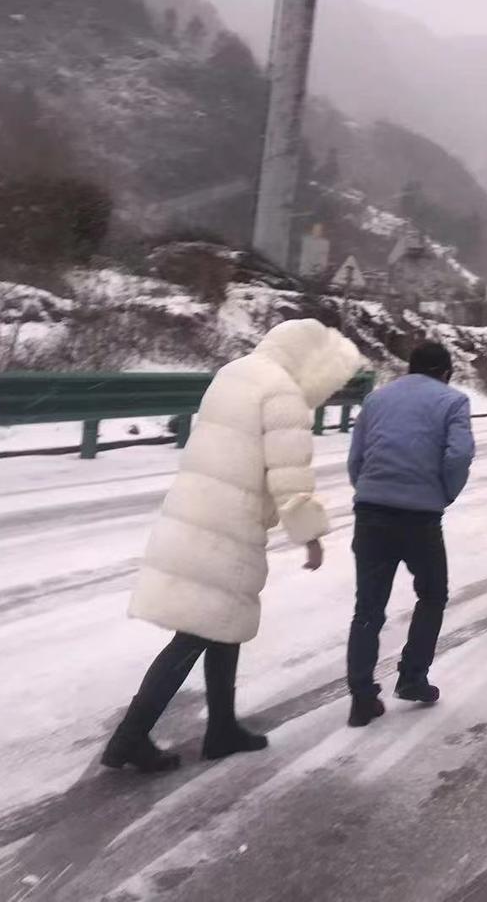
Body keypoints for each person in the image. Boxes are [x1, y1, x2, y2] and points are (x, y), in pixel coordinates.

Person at [102, 319, 363, 773]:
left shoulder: (234, 372)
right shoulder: (283, 394)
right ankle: (130, 737)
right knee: (195, 634)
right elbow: (290, 476)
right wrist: (310, 537)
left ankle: (221, 728)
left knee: (223, 626)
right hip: (228, 529)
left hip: (195, 514)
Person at [345, 341, 474, 727]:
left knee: (367, 608)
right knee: (432, 594)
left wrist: (369, 490)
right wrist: (444, 493)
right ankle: (413, 677)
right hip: (420, 519)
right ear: (445, 372)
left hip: (370, 513)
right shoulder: (454, 402)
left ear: (409, 368)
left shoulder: (376, 399)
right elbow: (459, 456)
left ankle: (362, 698)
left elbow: (357, 458)